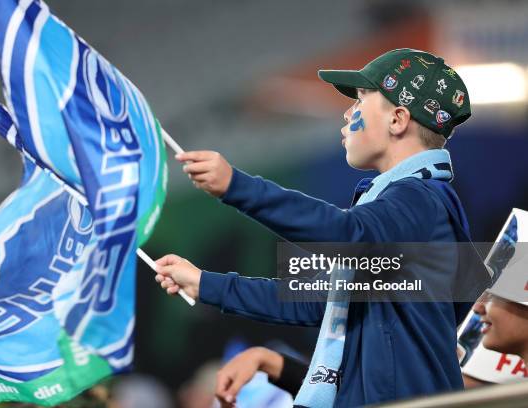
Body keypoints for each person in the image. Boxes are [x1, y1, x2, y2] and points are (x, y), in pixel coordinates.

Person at [155, 48, 484, 407]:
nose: (347, 112)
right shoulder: (402, 208)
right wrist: (206, 284)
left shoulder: (421, 199)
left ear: (398, 119)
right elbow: (312, 299)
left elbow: (346, 235)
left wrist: (237, 187)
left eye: (360, 99)